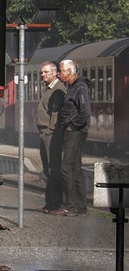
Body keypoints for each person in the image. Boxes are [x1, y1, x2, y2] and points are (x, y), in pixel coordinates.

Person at [55, 59, 91, 216]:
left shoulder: (80, 87)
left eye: (61, 71)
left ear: (69, 71)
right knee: (75, 167)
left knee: (66, 167)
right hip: (73, 131)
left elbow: (85, 112)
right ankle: (81, 206)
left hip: (76, 132)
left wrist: (73, 125)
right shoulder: (72, 87)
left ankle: (71, 205)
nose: (59, 74)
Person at [36, 61, 66, 214]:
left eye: (45, 72)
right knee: (48, 169)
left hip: (50, 134)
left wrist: (50, 130)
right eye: (42, 72)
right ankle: (49, 203)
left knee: (54, 168)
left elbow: (55, 113)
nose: (43, 75)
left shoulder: (58, 88)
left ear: (54, 73)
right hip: (45, 133)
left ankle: (56, 203)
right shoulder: (49, 88)